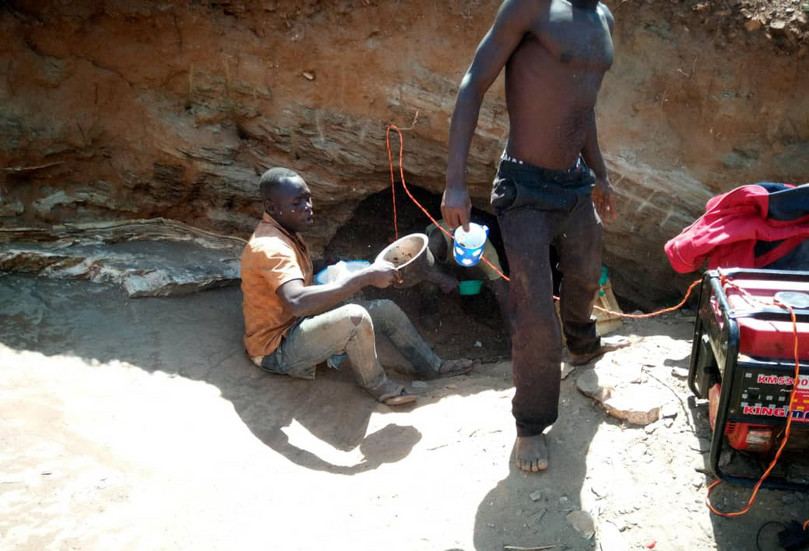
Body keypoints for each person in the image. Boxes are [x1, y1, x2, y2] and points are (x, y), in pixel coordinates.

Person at [441, 0, 629, 472]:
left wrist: (600, 174)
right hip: (524, 188)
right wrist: (455, 181)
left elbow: (582, 108)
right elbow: (473, 84)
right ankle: (531, 424)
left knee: (586, 273)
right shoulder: (531, 7)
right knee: (535, 311)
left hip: (575, 183)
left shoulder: (603, 18)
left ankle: (582, 344)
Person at [241, 167, 474, 407]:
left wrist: (325, 264)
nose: (308, 206)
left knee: (385, 309)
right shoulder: (271, 247)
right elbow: (297, 301)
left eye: (308, 198)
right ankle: (377, 384)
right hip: (277, 349)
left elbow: (294, 275)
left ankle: (432, 366)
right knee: (355, 317)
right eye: (297, 202)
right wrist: (364, 277)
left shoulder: (285, 230)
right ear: (272, 207)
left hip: (295, 325)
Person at [420, 219, 511, 329]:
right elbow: (418, 267)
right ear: (454, 241)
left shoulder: (488, 255)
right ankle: (429, 311)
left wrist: (511, 327)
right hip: (435, 260)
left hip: (461, 268)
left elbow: (502, 292)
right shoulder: (437, 240)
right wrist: (442, 279)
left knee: (483, 277)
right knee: (429, 282)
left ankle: (471, 300)